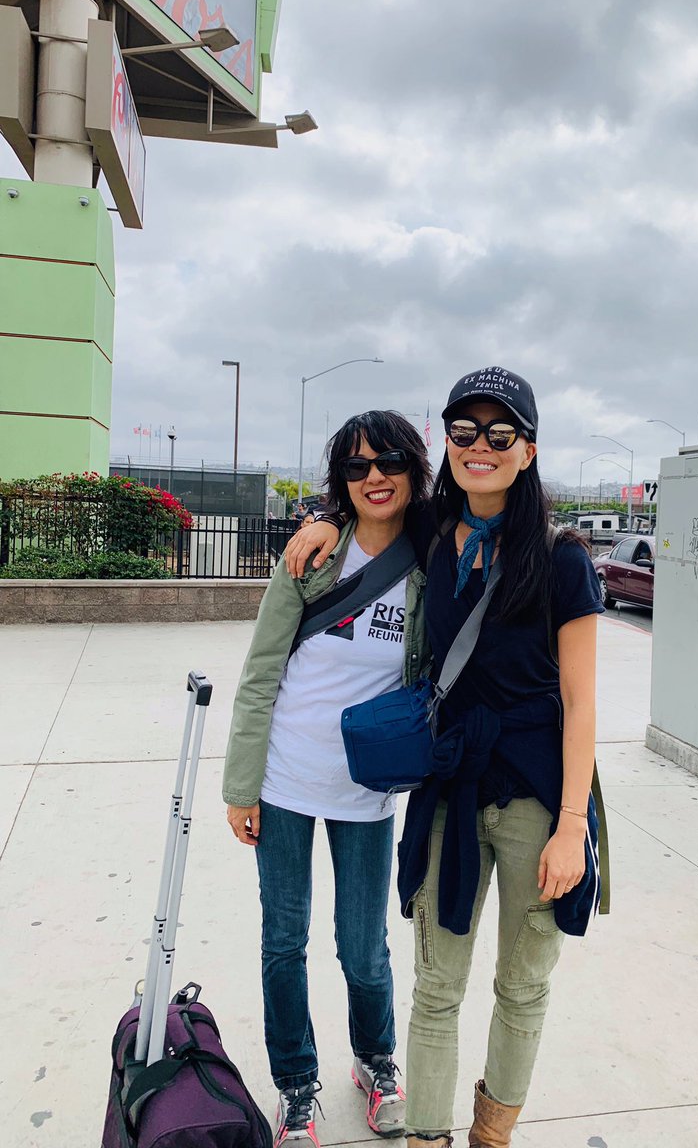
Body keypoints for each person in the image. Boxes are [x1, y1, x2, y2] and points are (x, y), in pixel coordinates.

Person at [285, 368, 606, 1148]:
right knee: (435, 987)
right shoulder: (431, 529)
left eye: (501, 434)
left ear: (527, 451)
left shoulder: (563, 560)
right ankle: (427, 1138)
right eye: (465, 432)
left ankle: (491, 1136)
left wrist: (572, 828)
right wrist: (325, 517)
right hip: (448, 789)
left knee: (522, 987)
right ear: (448, 444)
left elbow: (582, 703)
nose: (481, 447)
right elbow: (371, 502)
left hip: (535, 796)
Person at [223, 411, 432, 1147]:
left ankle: (376, 1062)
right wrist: (240, 785)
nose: (374, 476)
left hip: (366, 792)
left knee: (363, 946)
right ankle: (295, 1085)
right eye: (355, 465)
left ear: (415, 466)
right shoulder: (312, 556)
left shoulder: (430, 557)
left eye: (389, 461)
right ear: (340, 478)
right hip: (283, 781)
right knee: (283, 940)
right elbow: (260, 674)